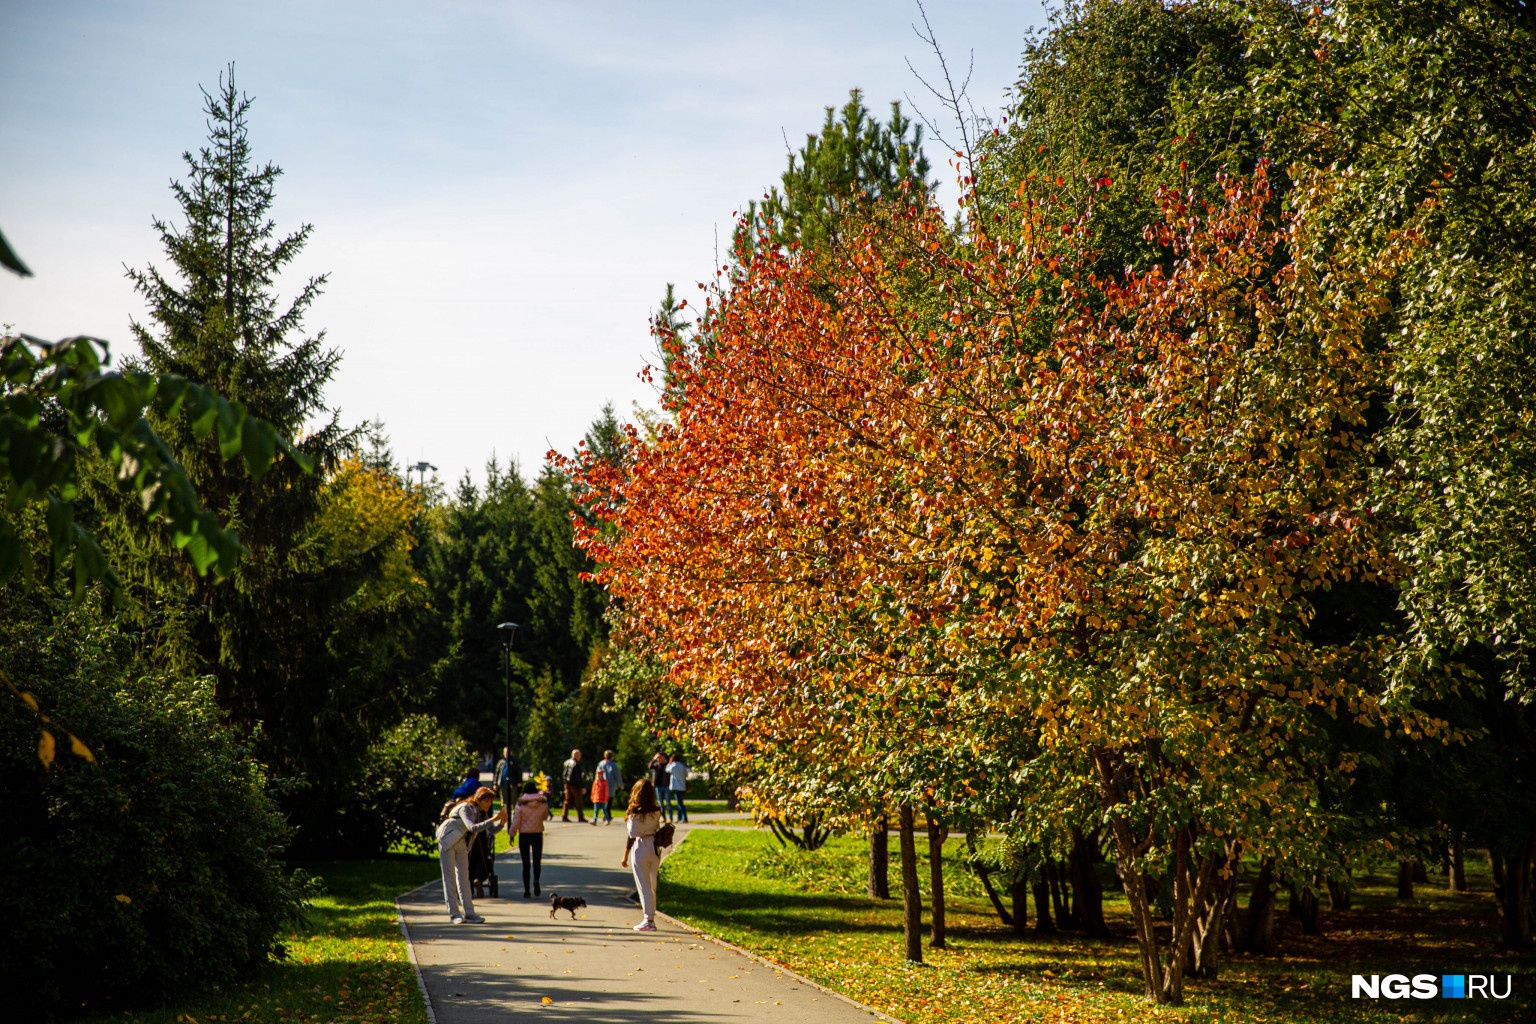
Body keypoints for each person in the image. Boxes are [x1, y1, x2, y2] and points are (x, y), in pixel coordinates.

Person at [437, 787, 507, 923]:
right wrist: (493, 818)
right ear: (479, 799)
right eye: (487, 801)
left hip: (462, 843)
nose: (489, 804)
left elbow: (491, 830)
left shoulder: (481, 813)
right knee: (449, 878)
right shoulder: (466, 808)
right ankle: (454, 914)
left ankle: (469, 913)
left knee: (464, 879)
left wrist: (501, 823)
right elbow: (472, 827)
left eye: (491, 801)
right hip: (448, 840)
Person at [620, 778, 663, 931]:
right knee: (652, 884)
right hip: (654, 846)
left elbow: (632, 834)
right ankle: (651, 916)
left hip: (640, 847)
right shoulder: (656, 810)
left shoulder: (634, 813)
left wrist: (625, 856)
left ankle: (648, 920)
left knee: (643, 884)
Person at [509, 780, 549, 898]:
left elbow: (516, 821)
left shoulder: (521, 804)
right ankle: (536, 879)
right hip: (537, 834)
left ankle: (527, 890)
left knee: (526, 864)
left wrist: (512, 834)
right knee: (537, 861)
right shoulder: (542, 802)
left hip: (524, 836)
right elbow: (545, 816)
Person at [596, 749, 623, 825]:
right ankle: (607, 816)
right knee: (609, 801)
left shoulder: (601, 763)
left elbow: (597, 774)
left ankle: (608, 816)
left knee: (604, 801)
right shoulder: (613, 765)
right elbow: (617, 776)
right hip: (610, 785)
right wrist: (621, 784)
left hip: (601, 785)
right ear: (612, 757)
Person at [561, 748, 586, 822]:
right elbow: (578, 776)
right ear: (577, 755)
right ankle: (580, 817)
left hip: (567, 784)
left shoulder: (566, 762)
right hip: (575, 784)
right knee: (578, 801)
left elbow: (564, 774)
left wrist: (565, 782)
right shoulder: (576, 764)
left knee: (567, 800)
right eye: (579, 755)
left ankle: (564, 816)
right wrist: (582, 786)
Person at [666, 753, 690, 823]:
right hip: (682, 786)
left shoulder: (673, 766)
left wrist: (669, 763)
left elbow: (667, 770)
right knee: (680, 802)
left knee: (680, 803)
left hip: (676, 786)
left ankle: (684, 818)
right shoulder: (682, 766)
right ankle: (679, 817)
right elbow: (686, 774)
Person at [649, 751, 673, 821]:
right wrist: (654, 759)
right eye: (657, 758)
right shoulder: (657, 765)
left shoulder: (668, 764)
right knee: (660, 803)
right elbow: (650, 766)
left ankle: (670, 817)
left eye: (659, 757)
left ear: (663, 757)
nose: (658, 759)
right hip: (658, 786)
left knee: (668, 802)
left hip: (666, 785)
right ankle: (663, 817)